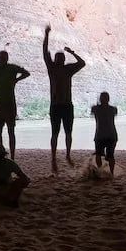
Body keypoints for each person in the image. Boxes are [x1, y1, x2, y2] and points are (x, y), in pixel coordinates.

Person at [42, 26, 87, 174]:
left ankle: (67, 154)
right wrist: (46, 35)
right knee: (55, 133)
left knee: (68, 132)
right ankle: (54, 158)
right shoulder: (52, 68)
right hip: (56, 105)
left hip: (67, 105)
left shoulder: (68, 69)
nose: (60, 60)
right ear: (55, 60)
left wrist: (72, 52)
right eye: (58, 58)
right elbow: (44, 51)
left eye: (62, 58)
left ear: (64, 60)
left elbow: (82, 63)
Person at [90, 91, 118, 178]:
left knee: (99, 154)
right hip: (111, 135)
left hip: (100, 135)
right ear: (108, 99)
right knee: (110, 156)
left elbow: (93, 113)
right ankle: (111, 173)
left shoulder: (95, 108)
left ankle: (100, 171)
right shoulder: (113, 109)